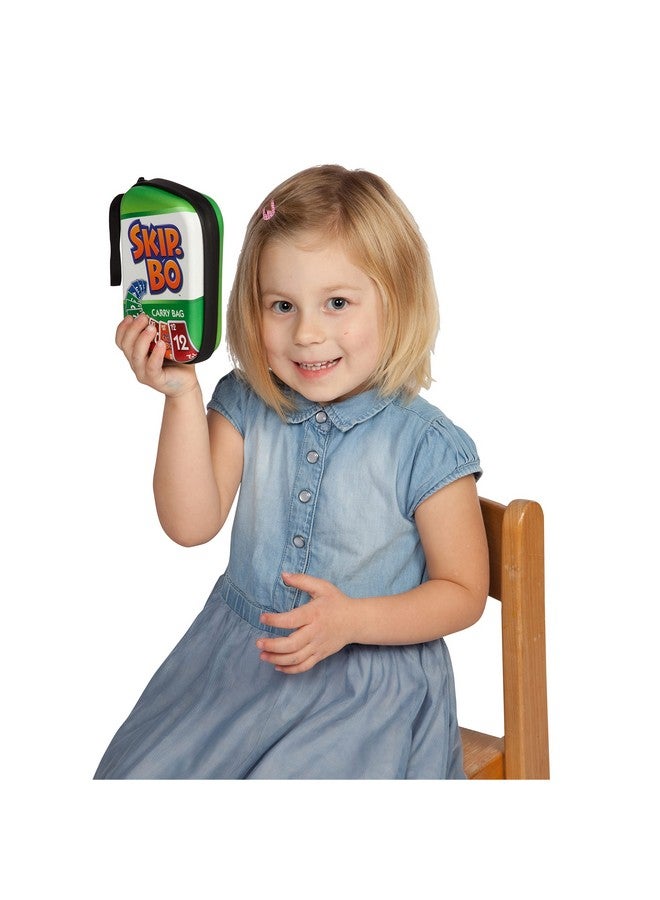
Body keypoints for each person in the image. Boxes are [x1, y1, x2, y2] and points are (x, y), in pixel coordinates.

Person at [94, 164, 489, 779]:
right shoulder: (248, 402)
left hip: (363, 689)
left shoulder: (426, 445)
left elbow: (463, 593)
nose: (306, 333)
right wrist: (180, 395)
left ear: (399, 299)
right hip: (239, 665)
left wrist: (353, 620)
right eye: (282, 305)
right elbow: (190, 524)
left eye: (337, 303)